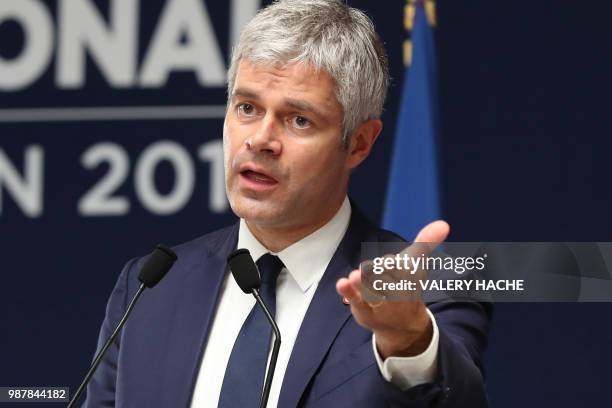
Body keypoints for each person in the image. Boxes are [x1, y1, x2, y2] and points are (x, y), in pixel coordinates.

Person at [84, 1, 490, 406]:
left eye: (299, 119)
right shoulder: (149, 286)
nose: (260, 139)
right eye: (247, 108)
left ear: (360, 143)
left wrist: (407, 340)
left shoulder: (428, 288)